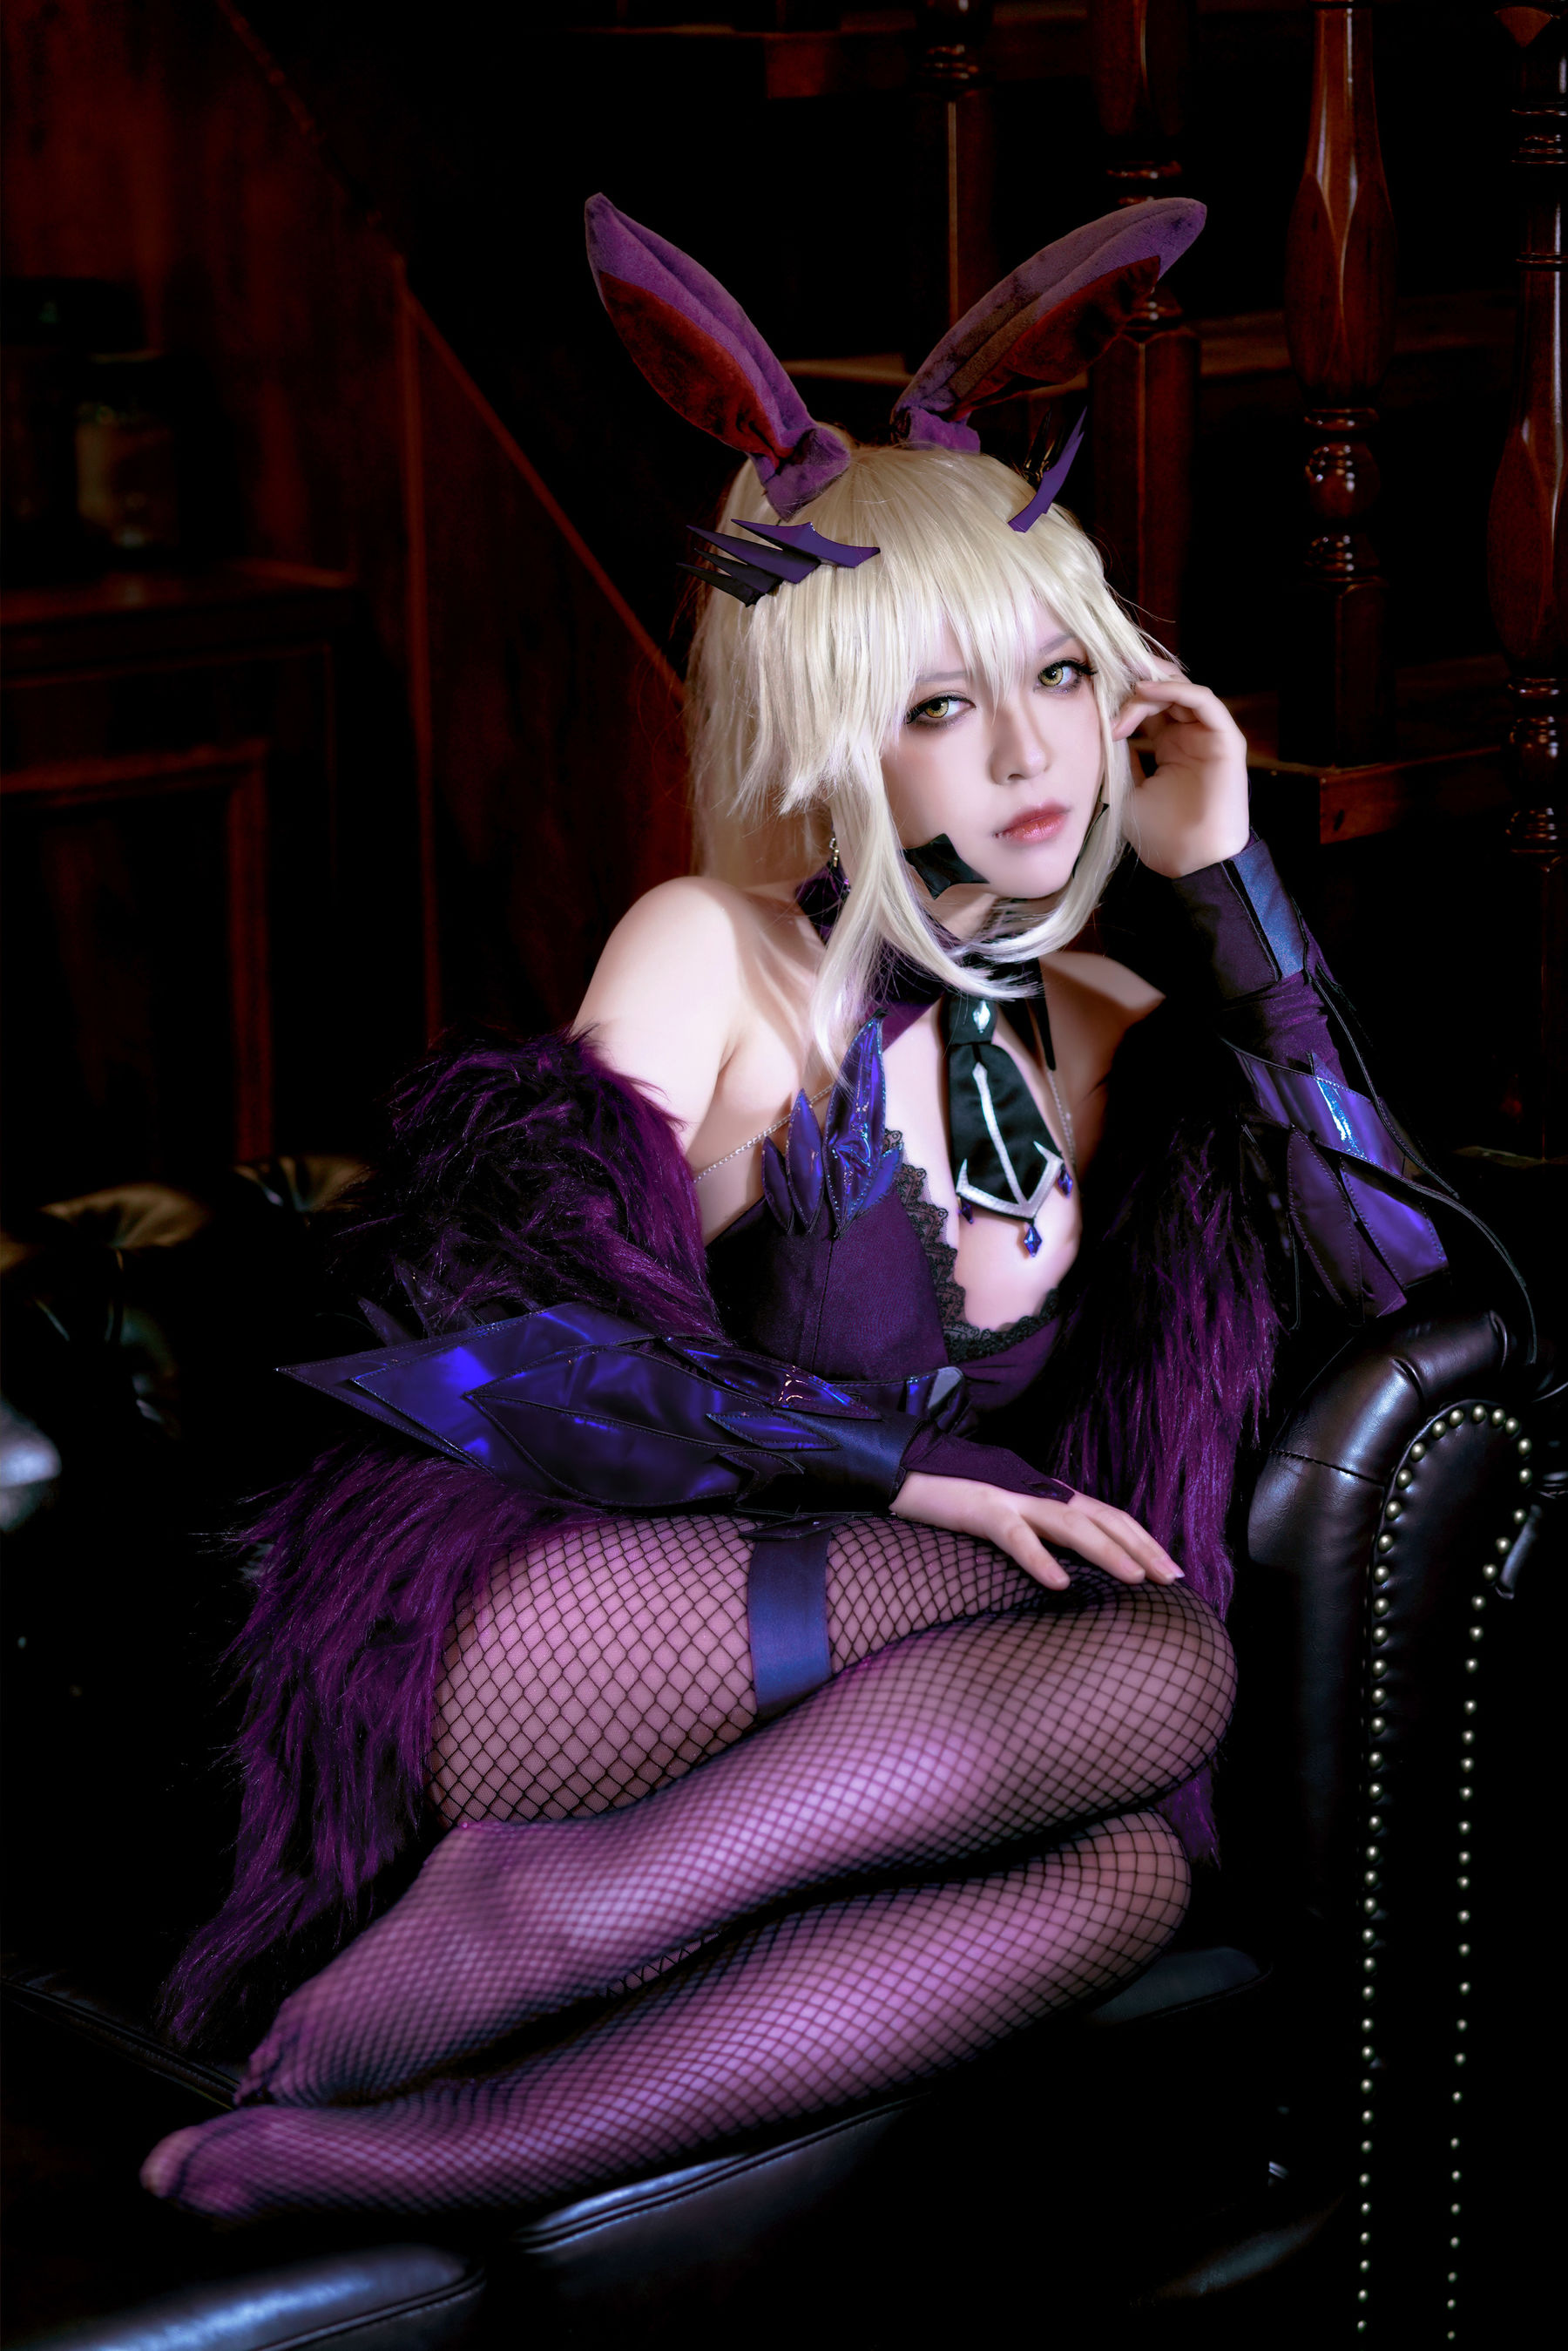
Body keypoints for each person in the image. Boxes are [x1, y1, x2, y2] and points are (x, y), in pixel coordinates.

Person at [142, 199, 1462, 2219]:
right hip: (561, 1629)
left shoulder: (1119, 1024)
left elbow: (1410, 1278)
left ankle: (469, 2144)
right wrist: (909, 1471)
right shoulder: (714, 949)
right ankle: (547, 1902)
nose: (1025, 748)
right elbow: (496, 1348)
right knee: (1155, 1656)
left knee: (1123, 1866)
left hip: (863, 1710)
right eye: (936, 702)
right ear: (832, 730)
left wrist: (1228, 884)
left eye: (1057, 672)